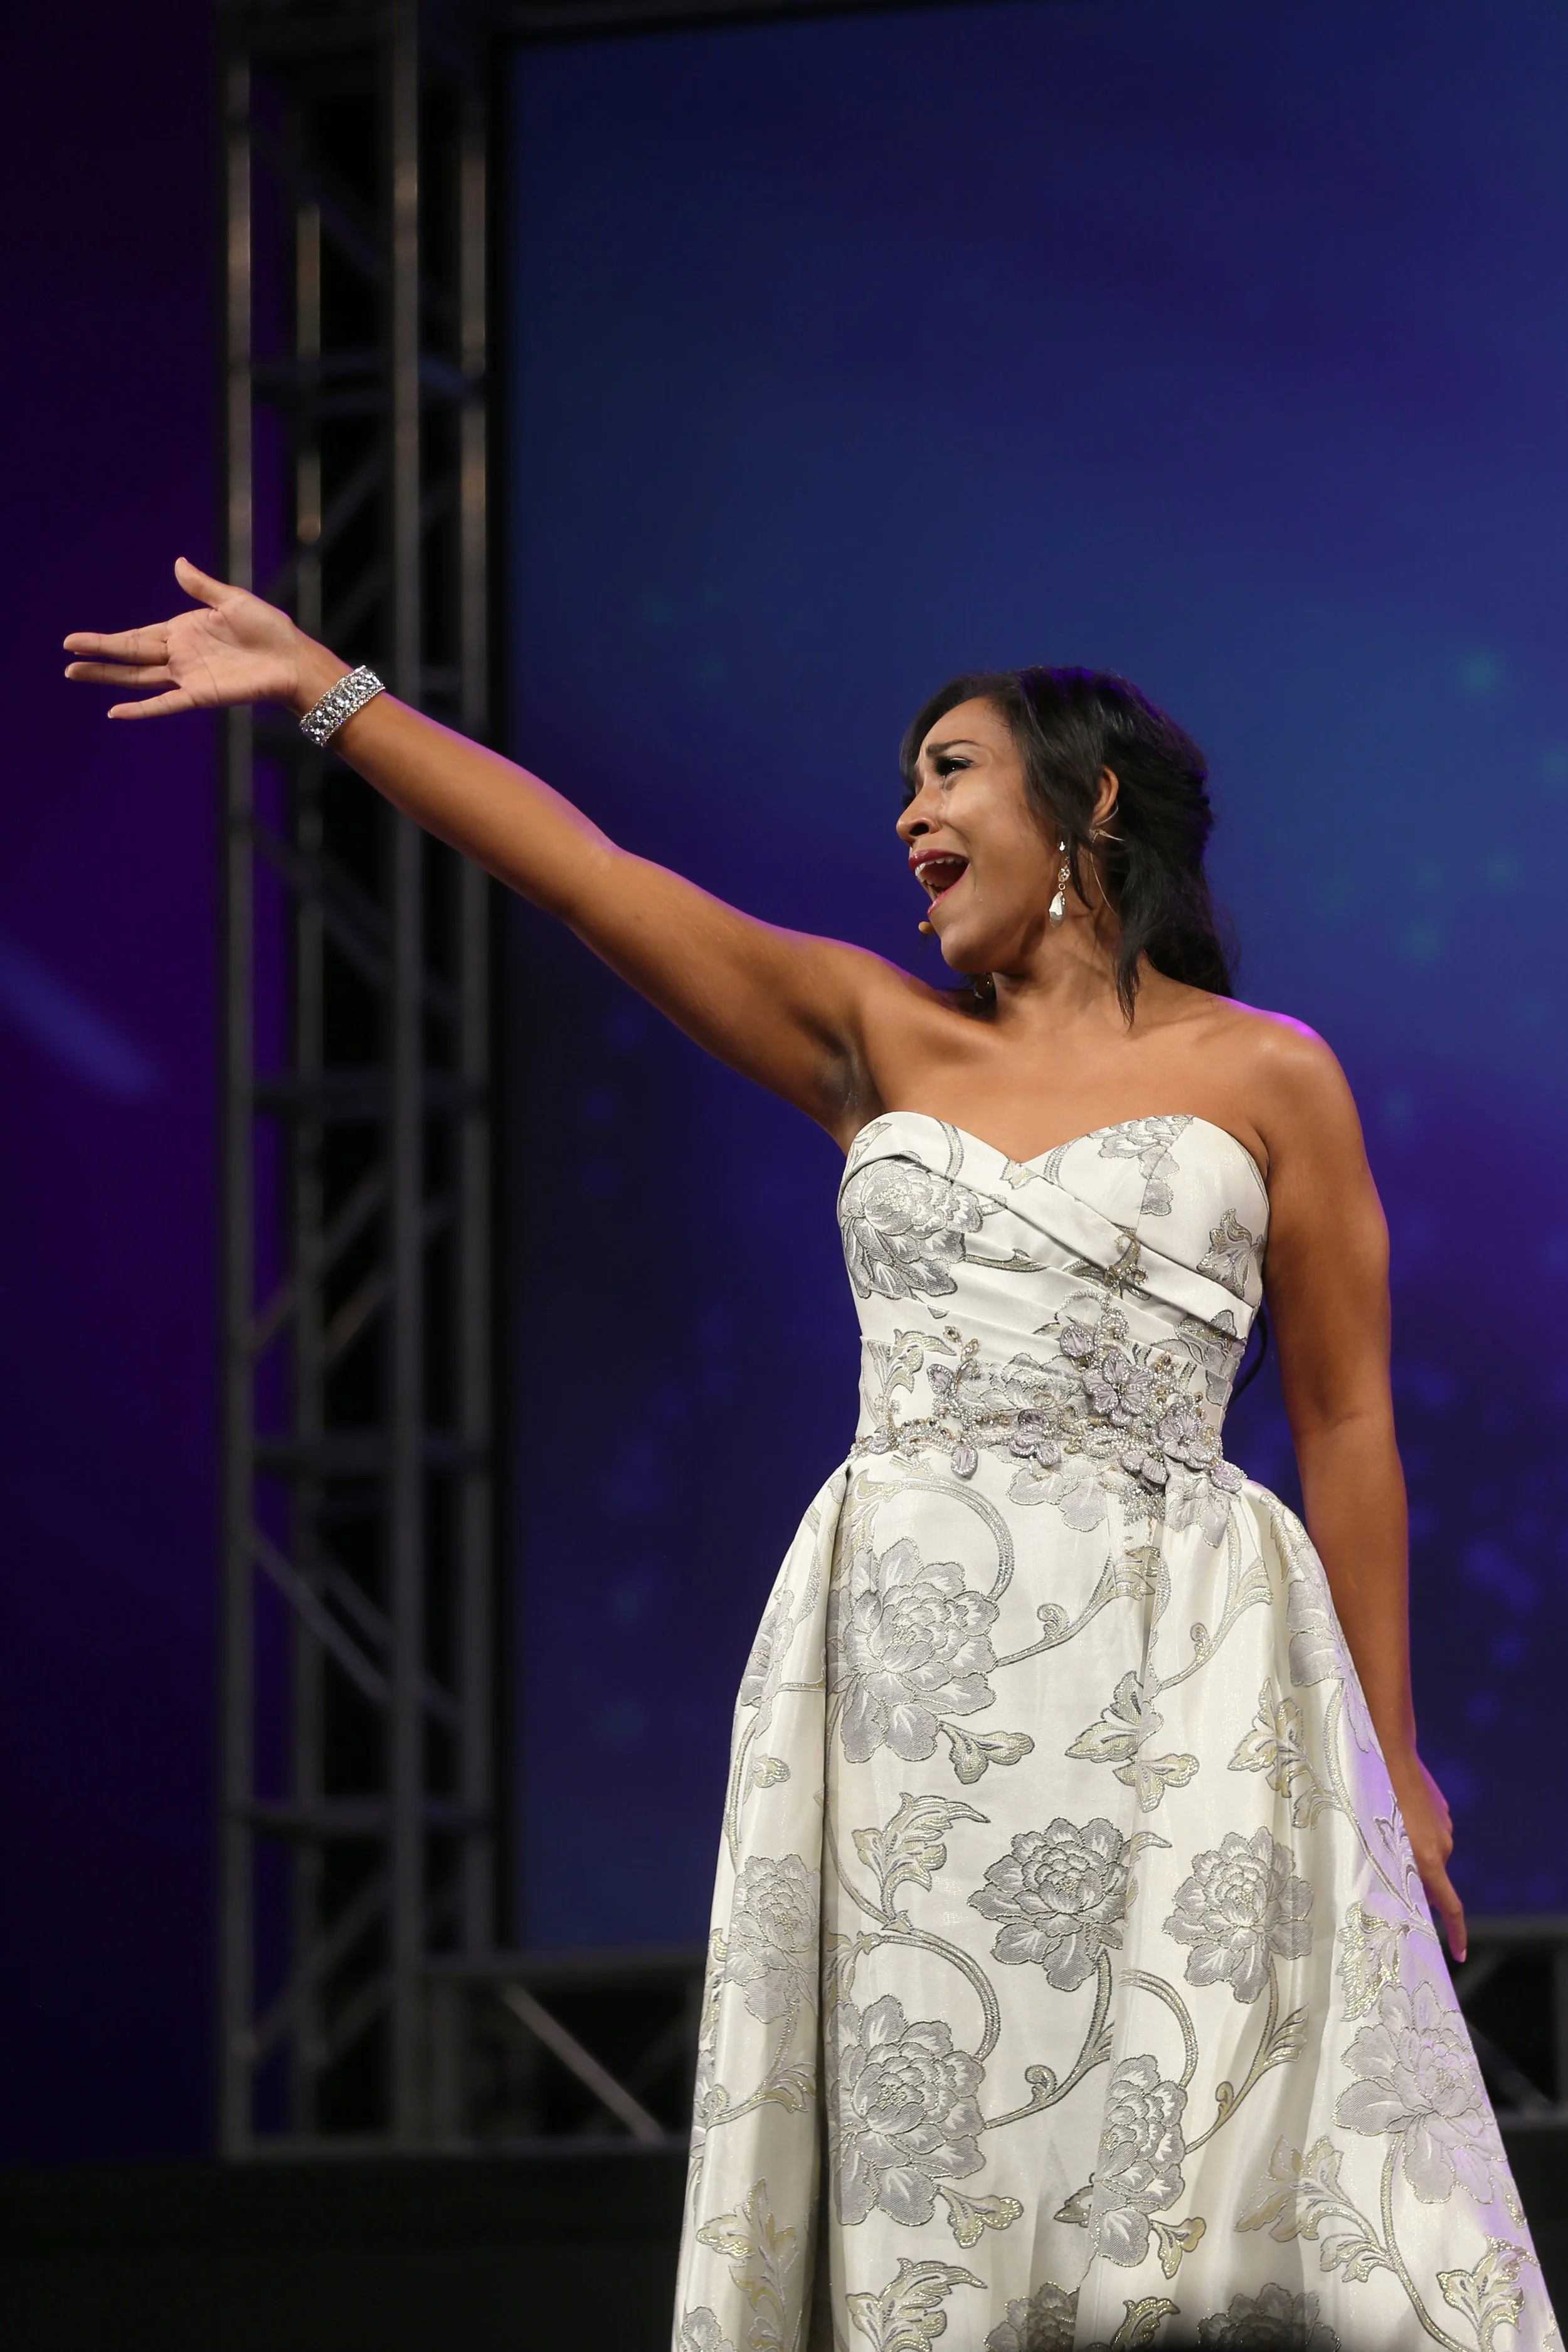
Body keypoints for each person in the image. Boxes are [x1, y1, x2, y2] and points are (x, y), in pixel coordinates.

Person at [66, 563, 1554, 2352]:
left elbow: (1346, 1421)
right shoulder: (875, 1034)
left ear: (1089, 801)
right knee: (953, 2145)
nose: (909, 818)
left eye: (950, 771)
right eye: (905, 787)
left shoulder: (1267, 1074)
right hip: (915, 1676)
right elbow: (585, 872)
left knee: (1187, 2157)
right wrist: (330, 689)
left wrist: (1392, 1754)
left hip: (1189, 1656)